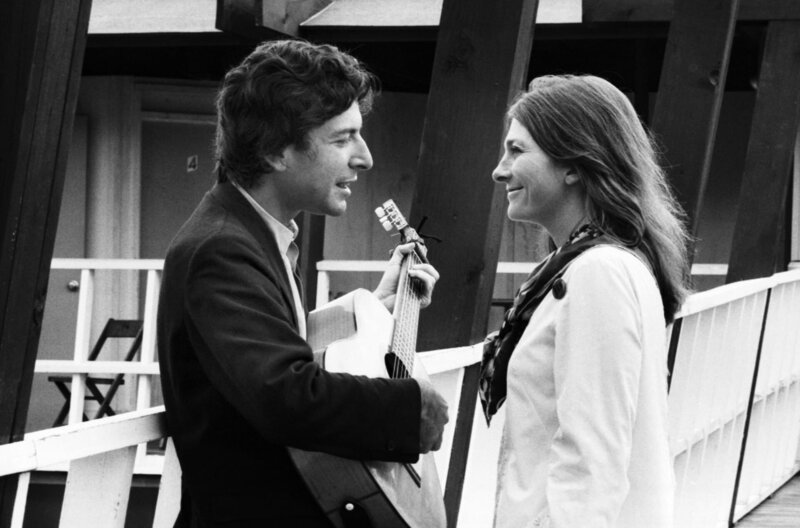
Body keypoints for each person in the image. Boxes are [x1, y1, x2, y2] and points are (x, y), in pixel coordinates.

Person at [157, 39, 448, 527]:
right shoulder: (220, 250)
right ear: (274, 151)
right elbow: (284, 396)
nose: (365, 158)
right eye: (342, 139)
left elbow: (266, 356)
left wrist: (376, 308)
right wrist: (409, 408)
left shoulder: (252, 235)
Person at [479, 74, 691, 528]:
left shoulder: (598, 273)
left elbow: (591, 459)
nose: (499, 170)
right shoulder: (587, 265)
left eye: (517, 150)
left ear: (573, 164)